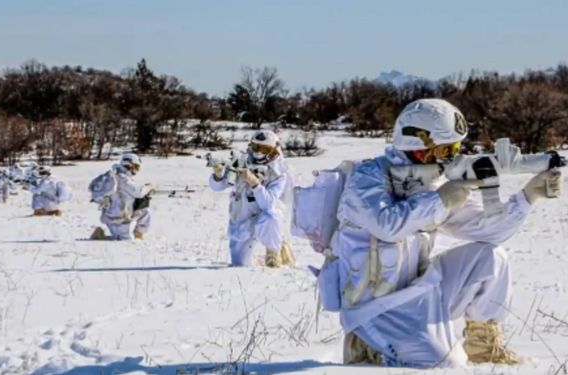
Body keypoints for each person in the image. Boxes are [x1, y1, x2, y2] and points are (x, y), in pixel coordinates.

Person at [326, 98, 562, 368]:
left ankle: (483, 348)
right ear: (418, 143)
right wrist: (440, 200)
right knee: (444, 366)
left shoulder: (433, 182)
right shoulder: (367, 176)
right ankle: (367, 347)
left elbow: (486, 230)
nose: (452, 156)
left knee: (491, 257)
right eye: (446, 148)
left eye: (457, 148)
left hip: (419, 291)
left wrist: (528, 196)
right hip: (375, 309)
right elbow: (387, 225)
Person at [208, 130, 295, 268]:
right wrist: (218, 176)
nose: (258, 152)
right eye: (255, 147)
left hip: (262, 218)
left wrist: (254, 183)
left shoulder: (278, 174)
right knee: (240, 265)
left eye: (264, 148)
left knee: (271, 216)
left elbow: (268, 204)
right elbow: (217, 187)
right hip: (241, 220)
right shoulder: (241, 161)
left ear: (273, 150)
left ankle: (274, 251)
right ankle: (273, 244)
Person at [89, 153, 152, 240]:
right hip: (122, 219)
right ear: (130, 165)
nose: (136, 171)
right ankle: (99, 237)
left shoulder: (112, 176)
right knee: (126, 241)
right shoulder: (123, 178)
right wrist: (148, 187)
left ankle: (101, 235)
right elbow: (139, 192)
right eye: (136, 167)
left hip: (109, 219)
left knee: (144, 212)